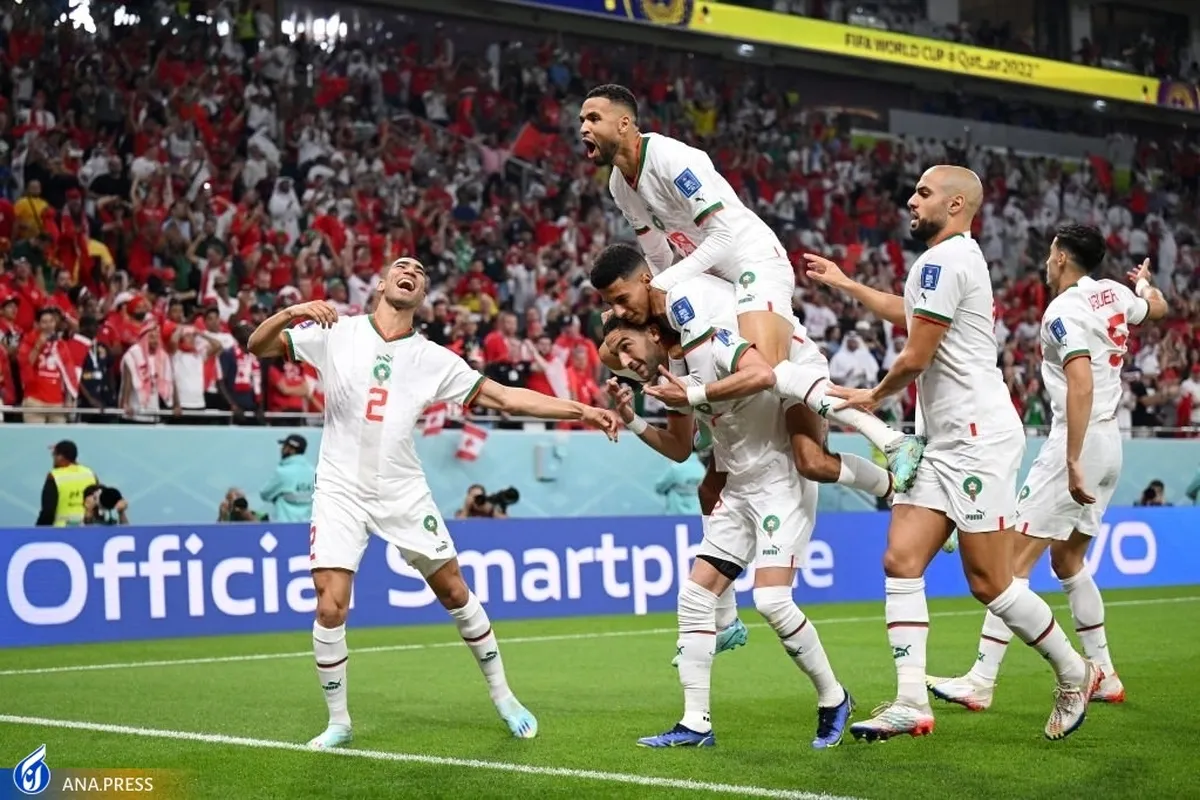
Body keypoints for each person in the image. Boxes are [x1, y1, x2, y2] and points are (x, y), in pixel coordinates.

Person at [246, 256, 620, 750]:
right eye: (401, 266)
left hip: (401, 489)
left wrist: (582, 410)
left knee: (453, 591)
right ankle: (339, 722)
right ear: (382, 282)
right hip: (340, 489)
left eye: (420, 272)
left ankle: (505, 697)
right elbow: (258, 346)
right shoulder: (338, 331)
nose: (411, 271)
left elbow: (505, 399)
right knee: (329, 603)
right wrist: (294, 312)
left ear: (422, 295)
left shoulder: (433, 358)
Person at [805, 165, 1099, 742]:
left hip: (977, 440)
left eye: (923, 193)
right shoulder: (951, 260)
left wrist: (871, 397)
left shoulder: (944, 261)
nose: (911, 201)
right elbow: (910, 313)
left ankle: (1074, 672)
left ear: (957, 203)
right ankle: (910, 701)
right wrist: (848, 285)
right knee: (901, 559)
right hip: (944, 441)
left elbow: (915, 355)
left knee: (990, 582)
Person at [578, 84, 925, 491]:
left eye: (593, 118)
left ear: (624, 124)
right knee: (806, 455)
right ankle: (894, 486)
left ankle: (892, 439)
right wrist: (663, 305)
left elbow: (723, 237)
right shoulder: (619, 186)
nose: (583, 127)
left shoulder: (672, 159)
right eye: (582, 120)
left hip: (753, 264)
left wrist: (666, 287)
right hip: (714, 281)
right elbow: (656, 255)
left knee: (769, 372)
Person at [927, 226, 1168, 711]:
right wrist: (1143, 283)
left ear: (1060, 257)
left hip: (1076, 443)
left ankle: (981, 680)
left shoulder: (1062, 311)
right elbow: (1157, 308)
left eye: (1049, 253)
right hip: (1110, 443)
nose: (1045, 261)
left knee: (1010, 565)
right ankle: (1105, 673)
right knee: (1068, 561)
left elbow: (1080, 383)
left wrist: (1072, 459)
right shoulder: (1113, 293)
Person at [602, 315, 853, 749]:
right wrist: (633, 420)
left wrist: (695, 394)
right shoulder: (671, 378)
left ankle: (834, 698)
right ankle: (695, 723)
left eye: (627, 346)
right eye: (618, 359)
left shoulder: (714, 341)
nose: (627, 362)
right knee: (695, 597)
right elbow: (679, 449)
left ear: (653, 332)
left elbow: (763, 374)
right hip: (738, 491)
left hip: (781, 485)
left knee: (772, 600)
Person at [35, 440, 98, 527]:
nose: (53, 459)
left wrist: (38, 531)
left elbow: (48, 512)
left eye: (54, 455)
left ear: (60, 457)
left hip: (61, 530)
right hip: (88, 529)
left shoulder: (54, 476)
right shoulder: (90, 474)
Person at [260, 434, 317, 522]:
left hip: (285, 525)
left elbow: (264, 494)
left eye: (284, 446)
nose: (281, 449)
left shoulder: (282, 473)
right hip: (309, 525)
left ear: (291, 449)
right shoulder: (313, 472)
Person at [654, 451, 706, 515]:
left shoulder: (675, 468)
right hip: (697, 513)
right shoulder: (702, 469)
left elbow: (659, 488)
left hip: (676, 513)